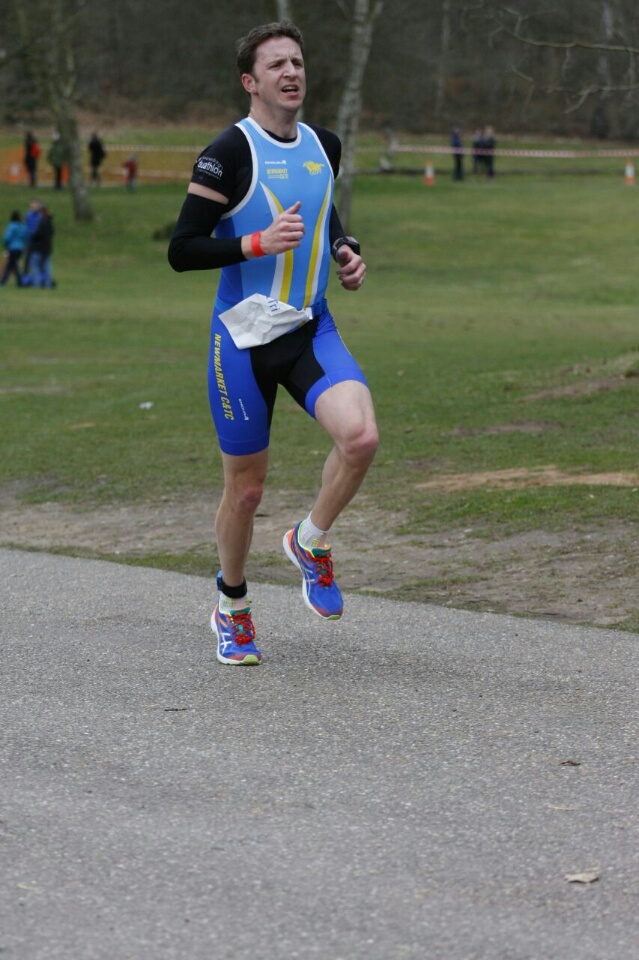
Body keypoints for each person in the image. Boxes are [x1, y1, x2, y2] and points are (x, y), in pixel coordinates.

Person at [168, 20, 378, 666]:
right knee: (247, 491)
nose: (291, 72)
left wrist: (343, 249)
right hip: (242, 341)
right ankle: (231, 605)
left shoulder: (324, 144)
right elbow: (182, 250)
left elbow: (320, 211)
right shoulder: (226, 154)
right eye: (276, 65)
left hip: (309, 327)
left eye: (297, 61)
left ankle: (310, 541)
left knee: (360, 438)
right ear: (249, 81)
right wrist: (254, 244)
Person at [29, 205, 55, 288]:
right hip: (47, 247)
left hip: (39, 247)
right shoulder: (49, 222)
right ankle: (48, 283)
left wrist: (33, 237)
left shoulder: (43, 222)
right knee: (46, 266)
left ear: (41, 213)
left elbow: (38, 234)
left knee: (35, 264)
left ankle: (37, 282)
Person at [1, 211, 28, 287]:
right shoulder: (22, 226)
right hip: (20, 248)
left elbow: (7, 237)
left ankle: (3, 281)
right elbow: (26, 237)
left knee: (10, 265)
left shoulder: (12, 226)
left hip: (13, 248)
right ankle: (20, 281)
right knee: (14, 264)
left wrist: (5, 243)